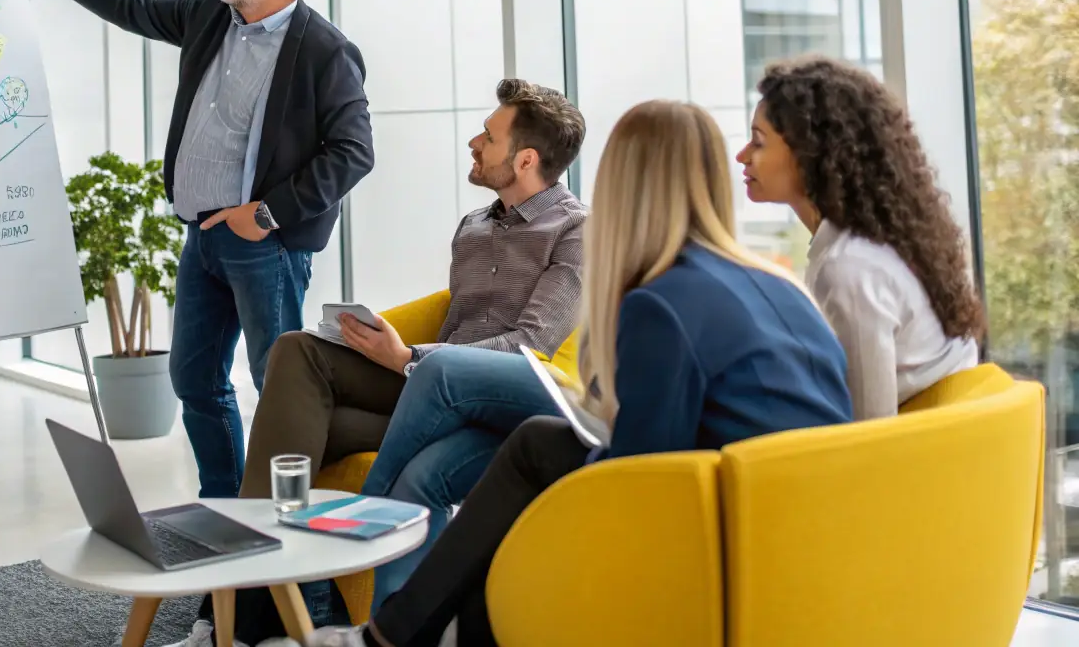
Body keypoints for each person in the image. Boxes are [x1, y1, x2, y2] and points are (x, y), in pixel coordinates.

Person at [307, 100, 854, 647]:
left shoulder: (661, 304)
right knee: (484, 456)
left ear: (621, 189)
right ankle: (394, 632)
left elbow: (636, 477)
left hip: (719, 530)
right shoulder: (783, 288)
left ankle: (387, 625)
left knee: (520, 459)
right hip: (810, 532)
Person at [178, 79, 586, 647]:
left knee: (310, 429)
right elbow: (455, 320)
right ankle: (280, 601)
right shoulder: (474, 225)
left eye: (489, 137)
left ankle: (243, 612)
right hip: (423, 385)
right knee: (297, 349)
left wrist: (408, 356)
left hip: (486, 398)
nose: (474, 142)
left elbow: (531, 345)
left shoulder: (574, 231)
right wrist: (384, 350)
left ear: (525, 159)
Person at [0, 0, 375, 497]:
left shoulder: (325, 50)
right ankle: (224, 506)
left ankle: (291, 522)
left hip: (265, 245)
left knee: (280, 390)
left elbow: (353, 153)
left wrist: (265, 214)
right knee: (194, 379)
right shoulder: (209, 12)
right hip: (201, 236)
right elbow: (132, 6)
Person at [736, 55, 985, 420]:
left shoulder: (849, 268)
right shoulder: (881, 245)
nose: (742, 156)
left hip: (915, 450)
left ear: (809, 153)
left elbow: (869, 430)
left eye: (758, 142)